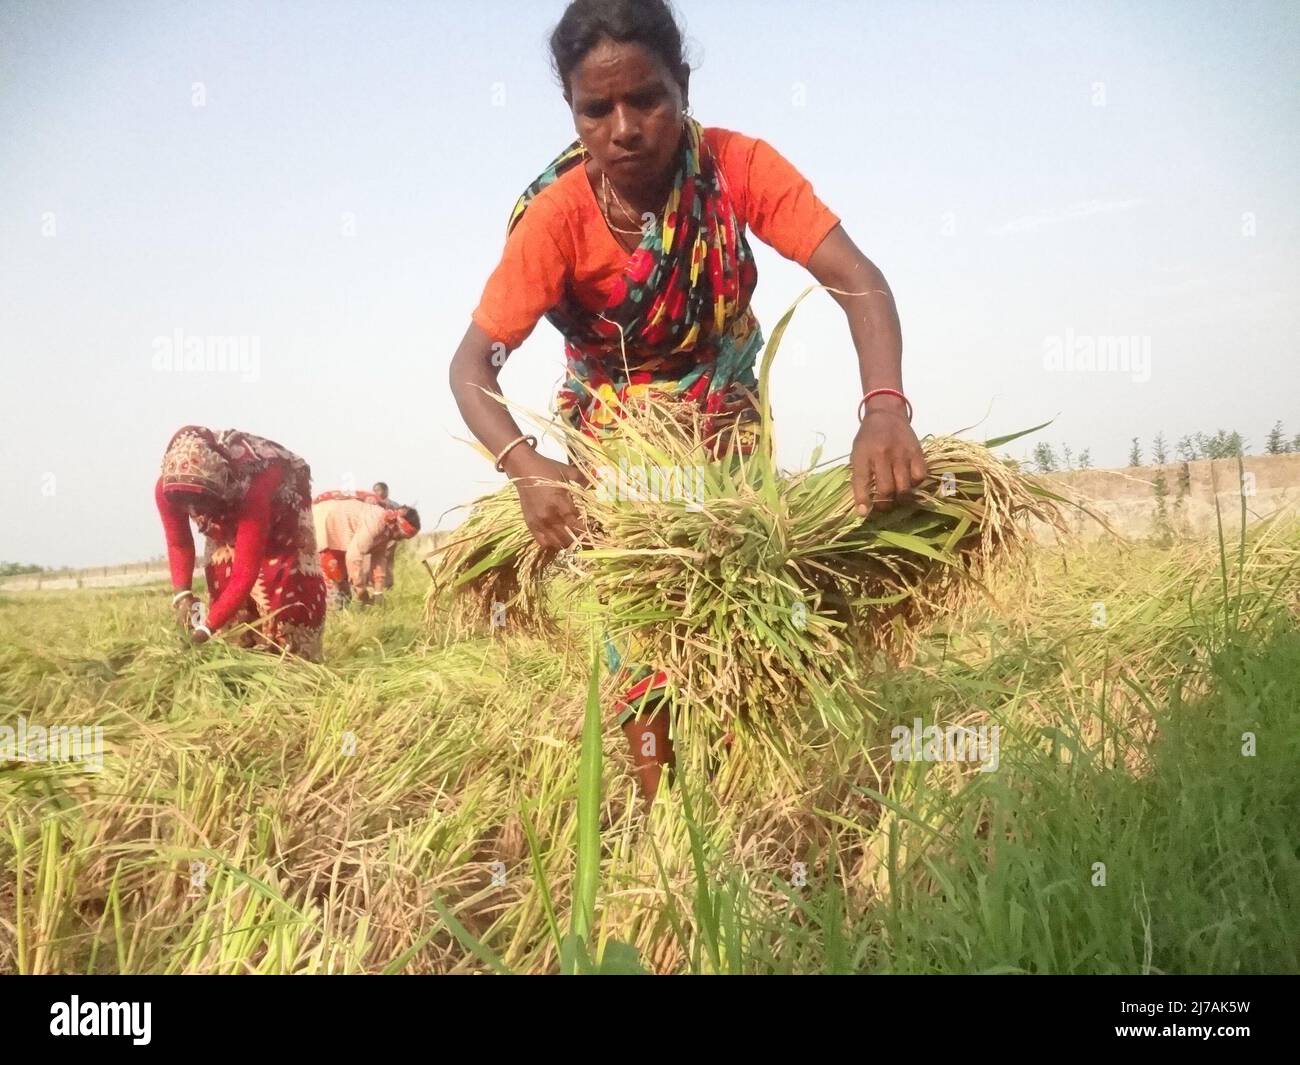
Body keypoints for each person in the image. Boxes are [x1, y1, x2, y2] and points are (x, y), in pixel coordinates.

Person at [448, 0, 928, 801]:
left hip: (726, 403)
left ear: (684, 86)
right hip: (619, 428)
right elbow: (470, 368)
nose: (625, 128)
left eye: (648, 98)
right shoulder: (558, 219)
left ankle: (755, 784)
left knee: (744, 589)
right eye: (595, 109)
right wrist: (526, 464)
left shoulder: (736, 168)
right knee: (640, 624)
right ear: (571, 110)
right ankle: (661, 809)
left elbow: (859, 280)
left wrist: (884, 406)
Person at [155, 425, 326, 661]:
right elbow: (179, 544)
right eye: (189, 506)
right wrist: (182, 595)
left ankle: (291, 660)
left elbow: (245, 573)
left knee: (282, 584)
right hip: (227, 503)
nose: (196, 512)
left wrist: (205, 629)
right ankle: (240, 651)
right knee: (221, 571)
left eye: (201, 505)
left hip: (281, 507)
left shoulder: (254, 487)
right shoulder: (169, 488)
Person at [312, 491, 420, 607]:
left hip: (341, 535)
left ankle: (343, 609)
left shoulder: (387, 530)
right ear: (396, 526)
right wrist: (361, 592)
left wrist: (378, 592)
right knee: (335, 580)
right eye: (401, 536)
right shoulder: (375, 523)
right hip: (326, 523)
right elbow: (354, 556)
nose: (400, 540)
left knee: (343, 586)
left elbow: (379, 558)